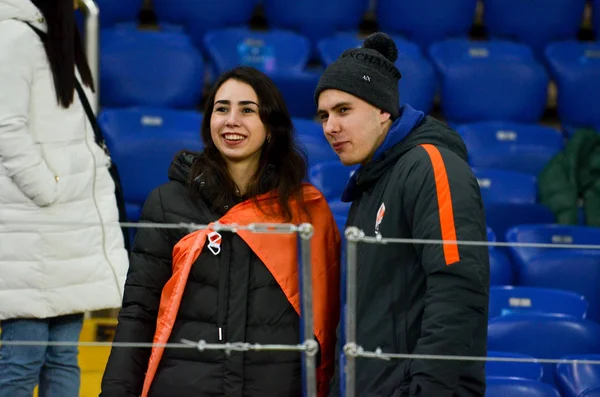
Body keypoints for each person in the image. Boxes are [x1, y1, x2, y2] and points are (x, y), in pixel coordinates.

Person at [100, 66, 341, 397]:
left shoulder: (303, 211)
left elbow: (324, 324)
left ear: (271, 127)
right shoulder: (167, 203)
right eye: (222, 108)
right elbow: (139, 312)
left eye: (247, 110)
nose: (232, 120)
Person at [314, 32, 490, 397]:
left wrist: (426, 390)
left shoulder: (431, 164)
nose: (331, 126)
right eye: (324, 115)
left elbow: (458, 285)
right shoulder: (370, 183)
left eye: (344, 110)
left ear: (383, 111)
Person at [0, 0, 129, 396]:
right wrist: (47, 188)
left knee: (62, 358)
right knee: (22, 361)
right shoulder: (15, 35)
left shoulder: (54, 38)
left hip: (65, 232)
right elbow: (6, 127)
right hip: (33, 229)